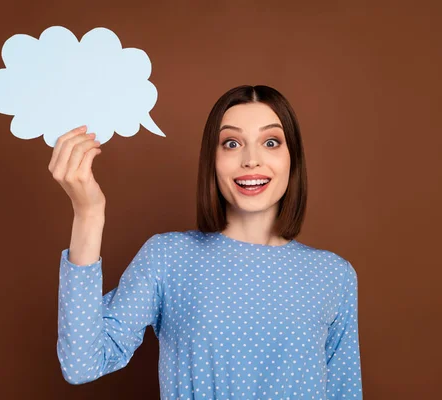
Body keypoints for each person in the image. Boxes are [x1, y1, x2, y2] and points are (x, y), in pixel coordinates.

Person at [50, 85, 363, 399]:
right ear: (212, 160)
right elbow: (82, 363)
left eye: (270, 142)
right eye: (231, 143)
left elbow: (344, 391)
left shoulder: (333, 275)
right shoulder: (168, 257)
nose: (251, 160)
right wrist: (88, 213)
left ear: (292, 157)